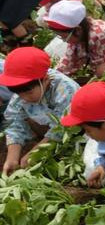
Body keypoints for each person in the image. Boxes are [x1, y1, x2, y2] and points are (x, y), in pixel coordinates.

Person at [0, 47, 79, 176]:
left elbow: (62, 128)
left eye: (29, 92)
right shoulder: (22, 94)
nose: (24, 97)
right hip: (50, 128)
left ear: (45, 79)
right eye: (19, 93)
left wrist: (36, 151)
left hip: (80, 131)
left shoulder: (65, 90)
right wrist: (12, 159)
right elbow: (14, 122)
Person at [44, 0, 105, 77]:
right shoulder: (81, 35)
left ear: (78, 30)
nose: (64, 40)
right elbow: (68, 61)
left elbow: (102, 65)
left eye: (64, 37)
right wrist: (52, 75)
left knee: (101, 71)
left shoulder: (99, 35)